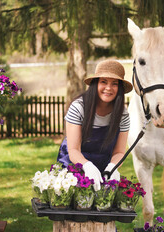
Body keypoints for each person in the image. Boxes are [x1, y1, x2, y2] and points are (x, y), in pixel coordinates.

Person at [57, 59, 133, 191]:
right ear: (95, 84)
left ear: (120, 88)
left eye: (114, 84)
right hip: (74, 162)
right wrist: (87, 166)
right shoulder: (79, 107)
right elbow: (74, 150)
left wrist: (112, 167)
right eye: (104, 82)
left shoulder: (123, 115)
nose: (108, 88)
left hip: (103, 165)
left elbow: (119, 151)